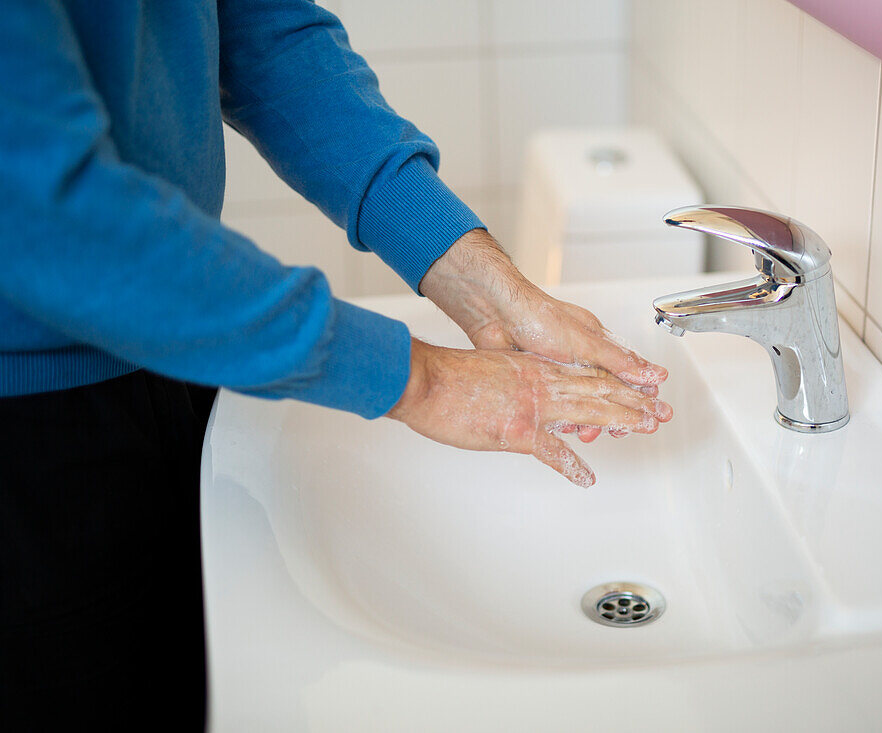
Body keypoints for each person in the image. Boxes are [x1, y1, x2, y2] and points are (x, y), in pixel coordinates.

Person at [0, 1, 672, 729]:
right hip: (29, 434)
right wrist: (421, 379)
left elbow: (263, 36)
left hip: (175, 348)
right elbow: (46, 212)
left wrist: (482, 282)